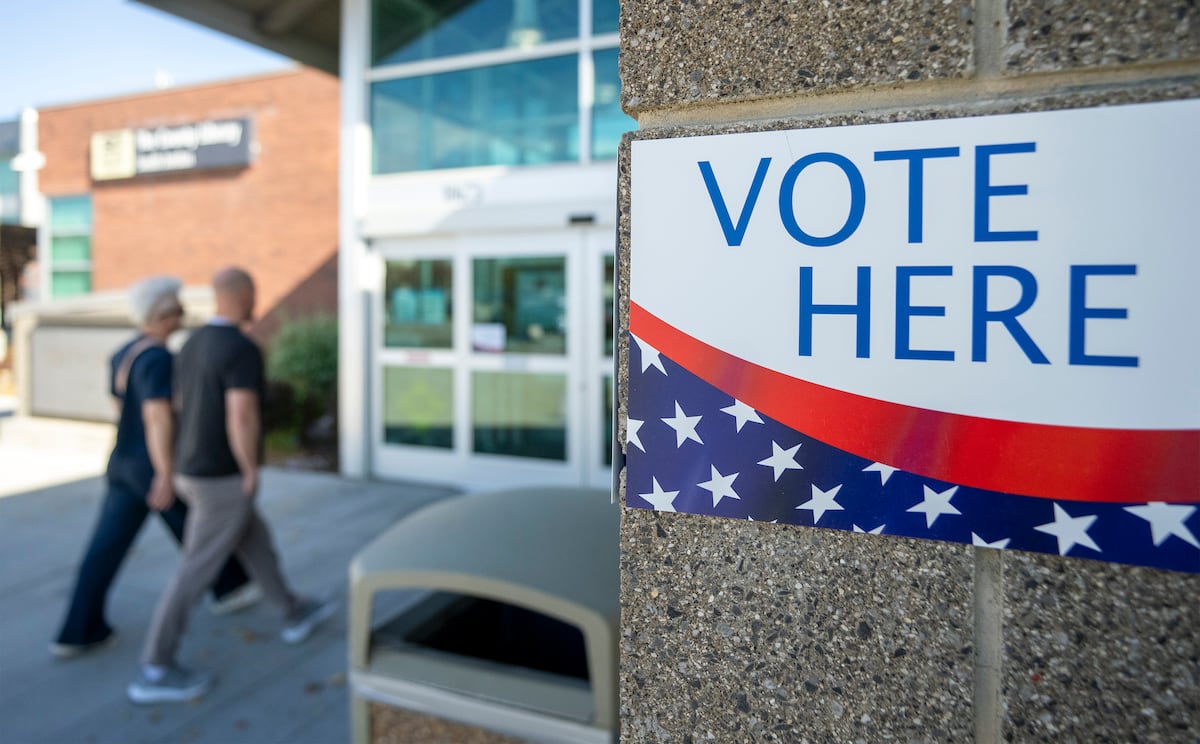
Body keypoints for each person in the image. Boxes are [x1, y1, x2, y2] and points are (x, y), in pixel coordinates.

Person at [128, 267, 335, 704]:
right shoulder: (241, 348)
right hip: (219, 476)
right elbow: (240, 414)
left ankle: (293, 610)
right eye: (255, 292)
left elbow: (180, 405)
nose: (257, 298)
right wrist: (250, 468)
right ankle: (155, 666)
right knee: (195, 570)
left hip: (192, 470)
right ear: (241, 295)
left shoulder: (192, 343)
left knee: (256, 541)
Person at [51, 276, 261, 659]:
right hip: (151, 467)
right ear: (162, 314)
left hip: (121, 463)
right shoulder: (159, 358)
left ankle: (77, 630)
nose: (183, 314)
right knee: (199, 530)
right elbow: (157, 417)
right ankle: (230, 586)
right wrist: (165, 472)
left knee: (107, 547)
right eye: (178, 308)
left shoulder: (125, 352)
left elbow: (120, 406)